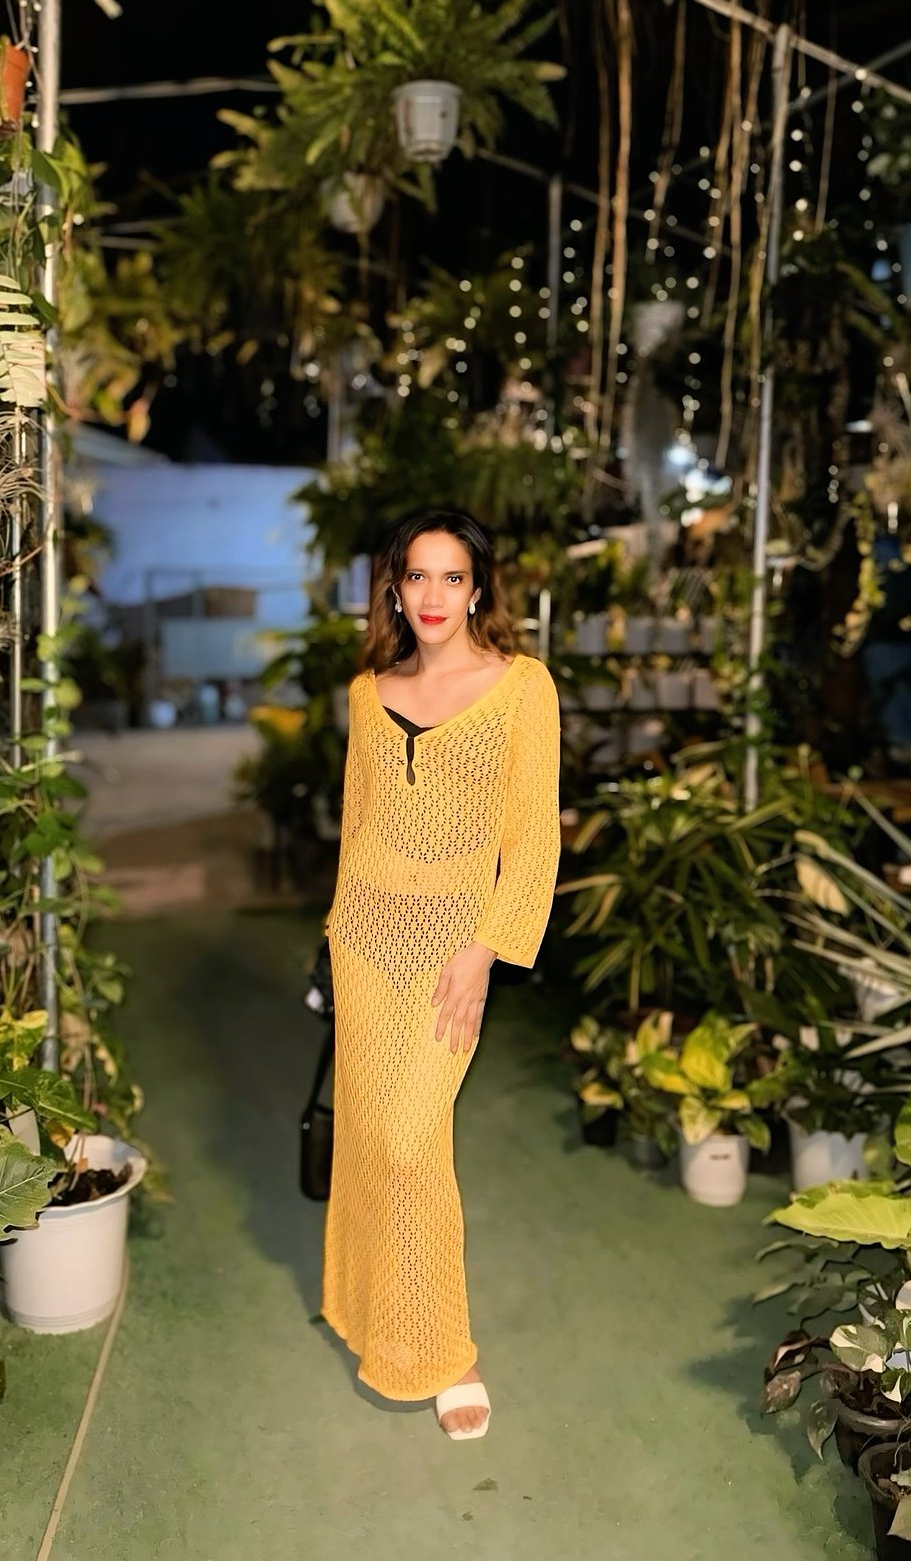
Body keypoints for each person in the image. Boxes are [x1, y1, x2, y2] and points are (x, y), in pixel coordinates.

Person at [320, 507, 562, 1440]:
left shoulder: (521, 688)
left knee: (411, 1139)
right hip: (365, 941)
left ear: (477, 589)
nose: (432, 595)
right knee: (369, 1136)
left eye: (451, 577)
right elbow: (358, 822)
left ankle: (447, 1350)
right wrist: (337, 930)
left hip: (453, 945)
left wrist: (483, 953)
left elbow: (533, 839)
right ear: (393, 589)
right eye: (415, 576)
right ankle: (368, 1308)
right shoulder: (368, 693)